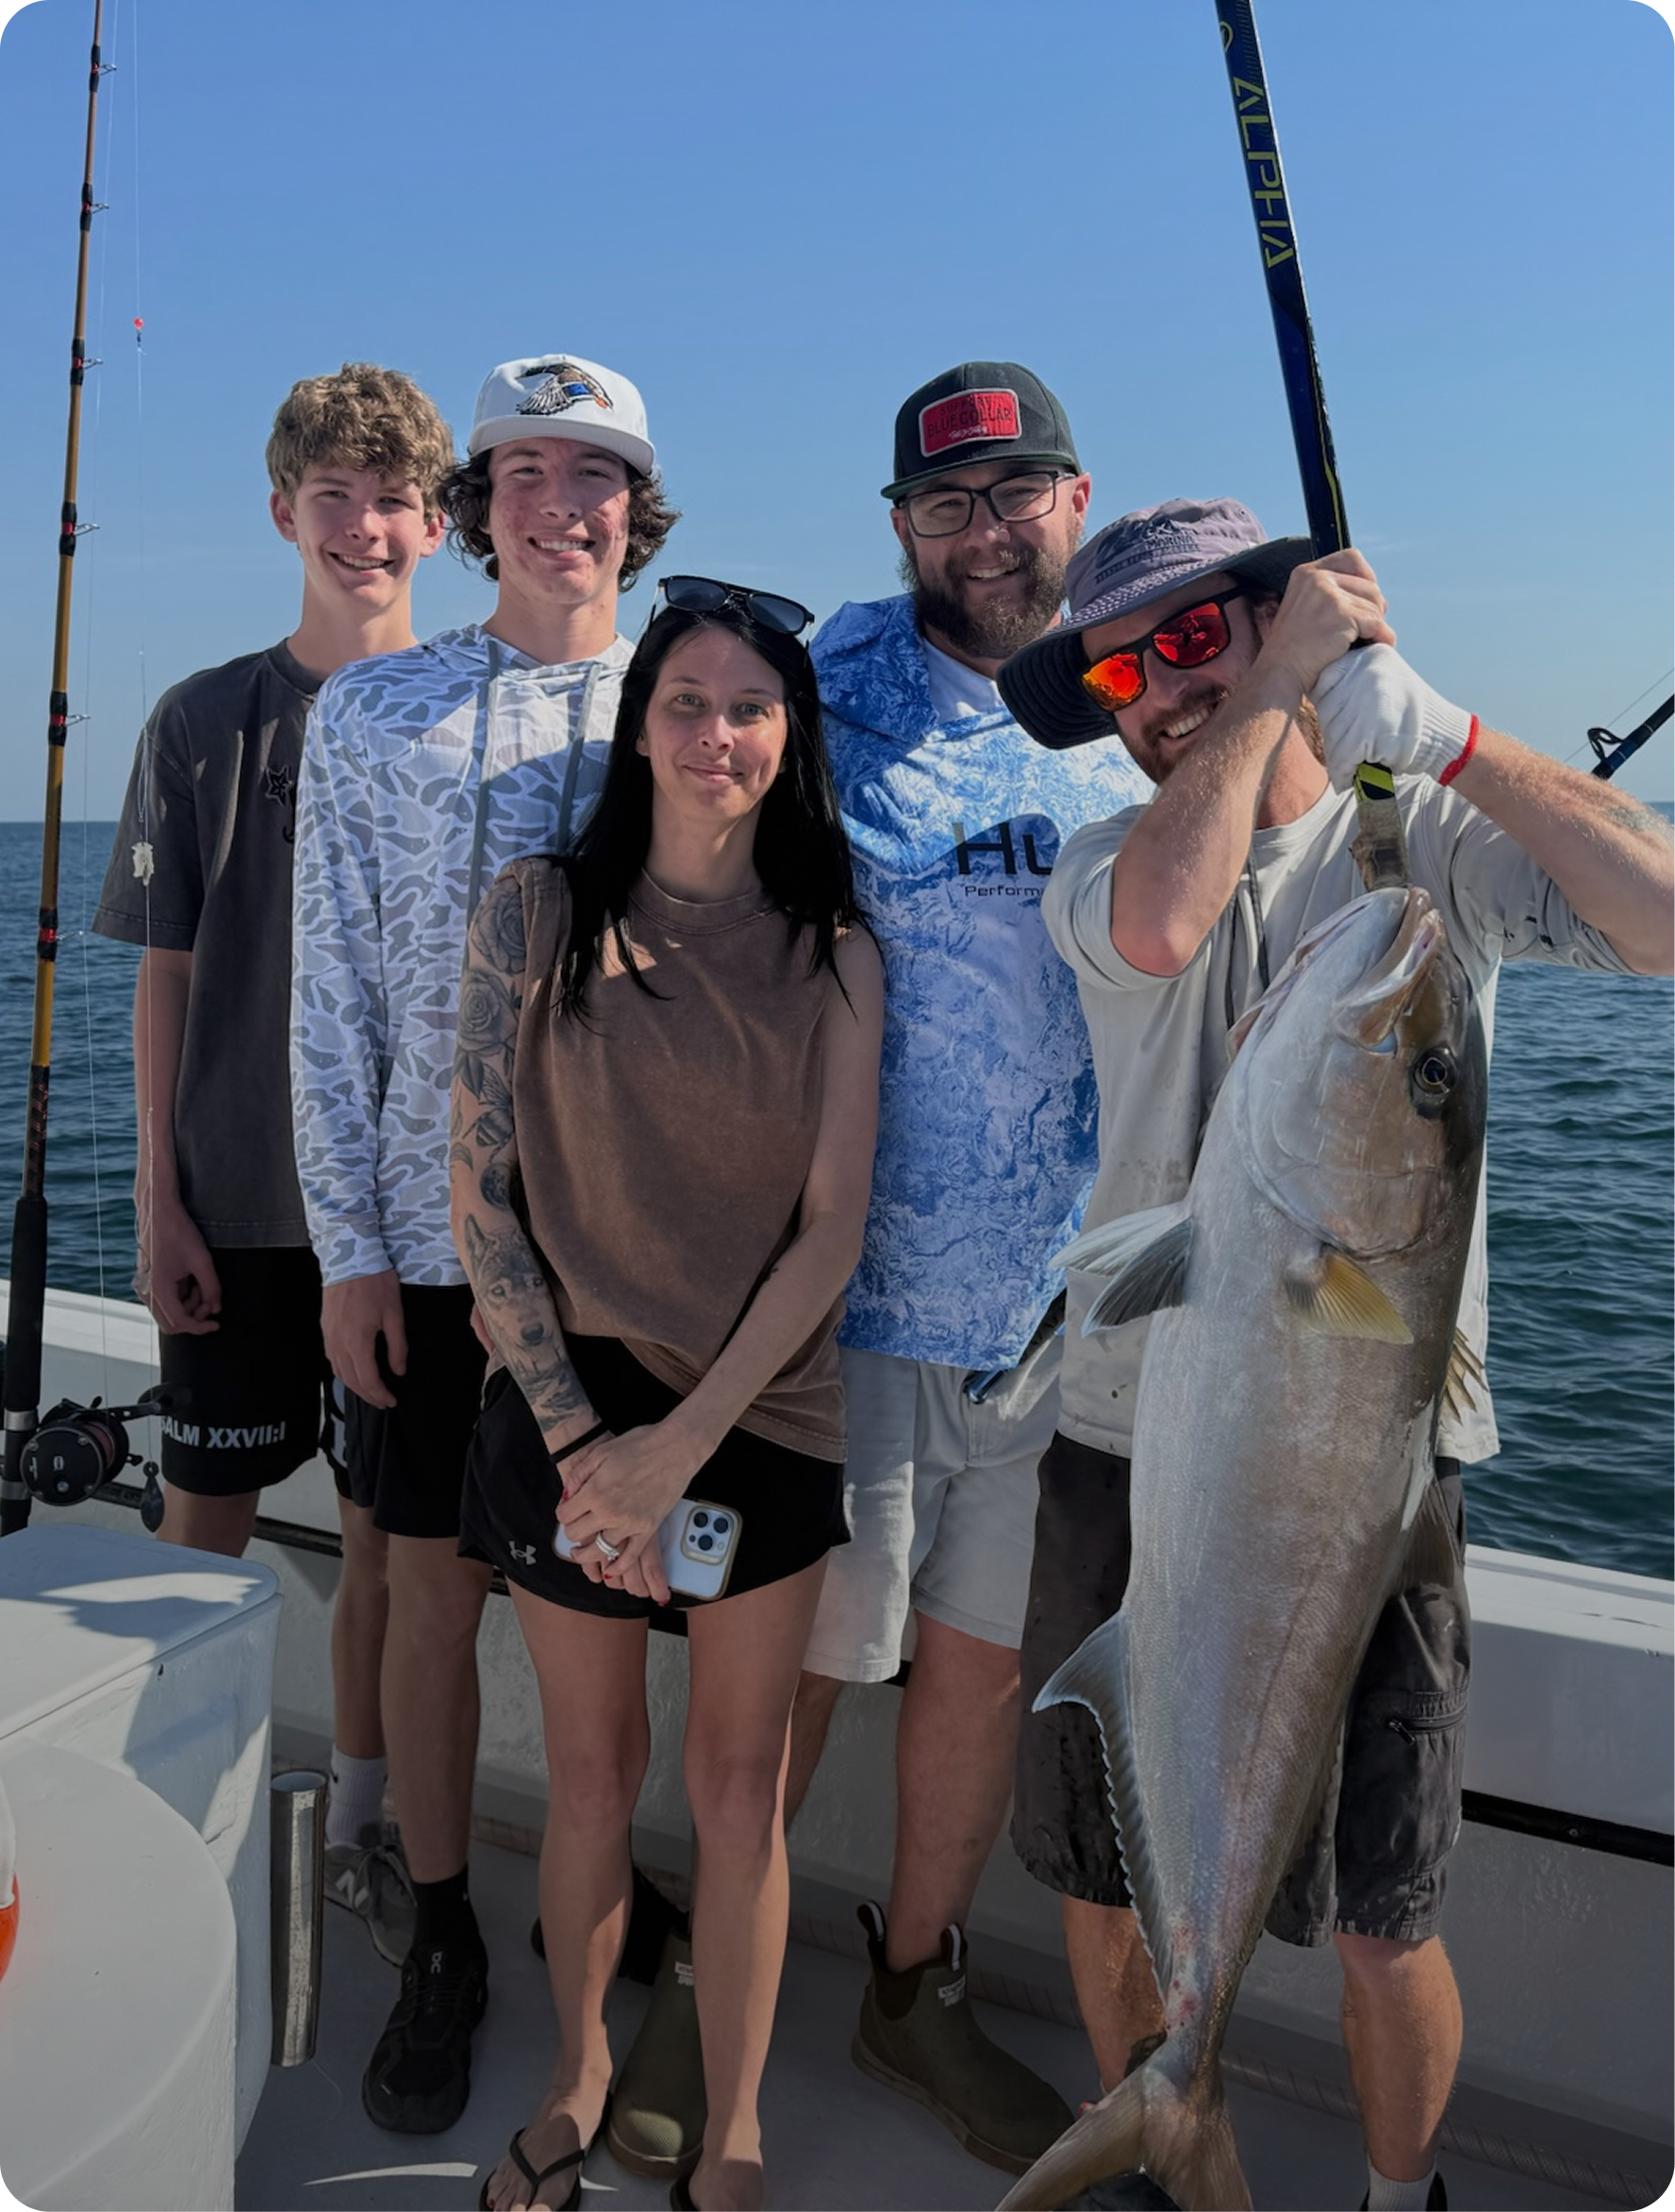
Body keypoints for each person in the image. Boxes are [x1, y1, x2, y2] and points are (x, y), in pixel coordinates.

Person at [997, 496, 1675, 2212]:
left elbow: (1665, 920)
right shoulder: (1108, 861)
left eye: (1201, 636)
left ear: (1287, 620)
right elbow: (1166, 928)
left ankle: (1398, 2201)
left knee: (1388, 1916)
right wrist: (1267, 688)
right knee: (1106, 1882)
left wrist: (1443, 734)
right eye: (1124, 663)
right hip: (1124, 1441)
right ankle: (1168, 2123)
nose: (1162, 686)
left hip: (1369, 1469)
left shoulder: (1422, 860)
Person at [452, 577, 883, 2212]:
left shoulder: (840, 952)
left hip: (755, 1420)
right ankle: (576, 2076)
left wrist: (675, 1455)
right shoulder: (535, 914)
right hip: (564, 1417)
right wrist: (583, 1450)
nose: (719, 734)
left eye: (752, 708)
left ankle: (740, 2120)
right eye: (688, 702)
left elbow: (832, 1229)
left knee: (734, 1792)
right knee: (586, 1776)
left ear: (792, 736)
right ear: (640, 725)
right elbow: (480, 1203)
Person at [290, 352, 678, 2136]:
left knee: (610, 1607)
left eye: (594, 471)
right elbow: (333, 999)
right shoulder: (372, 720)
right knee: (434, 1594)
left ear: (636, 510)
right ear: (480, 510)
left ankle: (608, 1896)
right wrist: (349, 1251)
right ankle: (442, 1929)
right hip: (431, 1258)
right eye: (525, 470)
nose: (560, 503)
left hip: (632, 1263)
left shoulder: (704, 702)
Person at [771, 361, 1152, 2179]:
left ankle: (909, 1989)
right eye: (949, 504)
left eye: (1022, 493)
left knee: (981, 1680)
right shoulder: (825, 691)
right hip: (848, 1305)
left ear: (1077, 501)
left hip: (1062, 1314)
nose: (989, 530)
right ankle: (723, 1987)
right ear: (899, 529)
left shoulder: (1146, 687)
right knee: (806, 1671)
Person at [92, 361, 453, 1970]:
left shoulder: (470, 714)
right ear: (281, 510)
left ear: (437, 525)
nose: (363, 524)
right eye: (335, 491)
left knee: (389, 1540)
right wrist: (164, 1199)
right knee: (206, 1518)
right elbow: (165, 972)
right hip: (235, 1208)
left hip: (408, 1224)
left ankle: (364, 1825)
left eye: (393, 497)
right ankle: (167, 1828)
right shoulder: (198, 722)